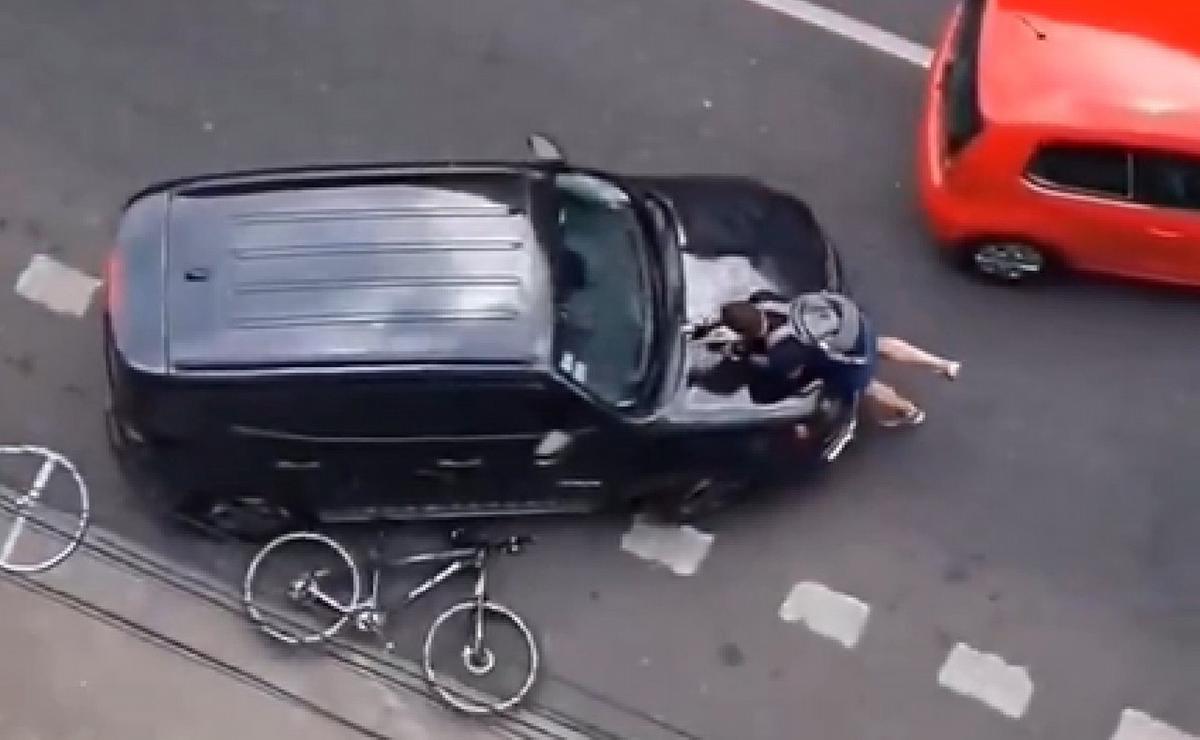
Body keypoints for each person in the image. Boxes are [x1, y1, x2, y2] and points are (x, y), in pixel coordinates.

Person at [711, 289, 959, 427]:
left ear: (744, 332)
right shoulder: (767, 301)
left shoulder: (782, 353)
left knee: (869, 386)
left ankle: (910, 412)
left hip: (849, 358)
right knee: (882, 344)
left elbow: (795, 376)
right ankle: (941, 365)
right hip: (854, 327)